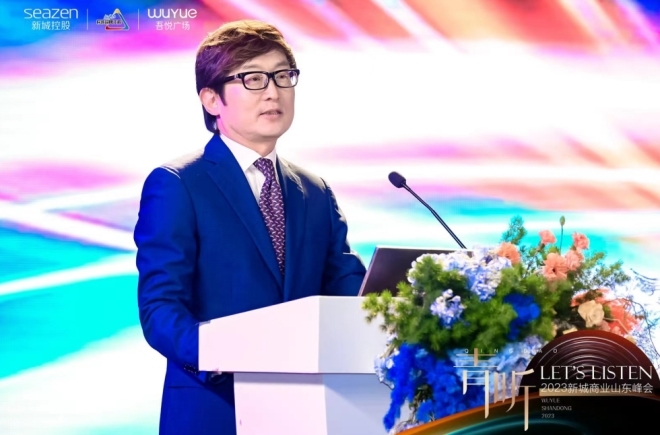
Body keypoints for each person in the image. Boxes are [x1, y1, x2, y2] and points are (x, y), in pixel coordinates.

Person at [134, 19, 366, 435]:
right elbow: (160, 309)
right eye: (253, 79)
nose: (273, 91)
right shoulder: (178, 184)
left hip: (309, 412)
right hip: (216, 409)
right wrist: (227, 350)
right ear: (211, 99)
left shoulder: (314, 190)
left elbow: (347, 291)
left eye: (283, 76)